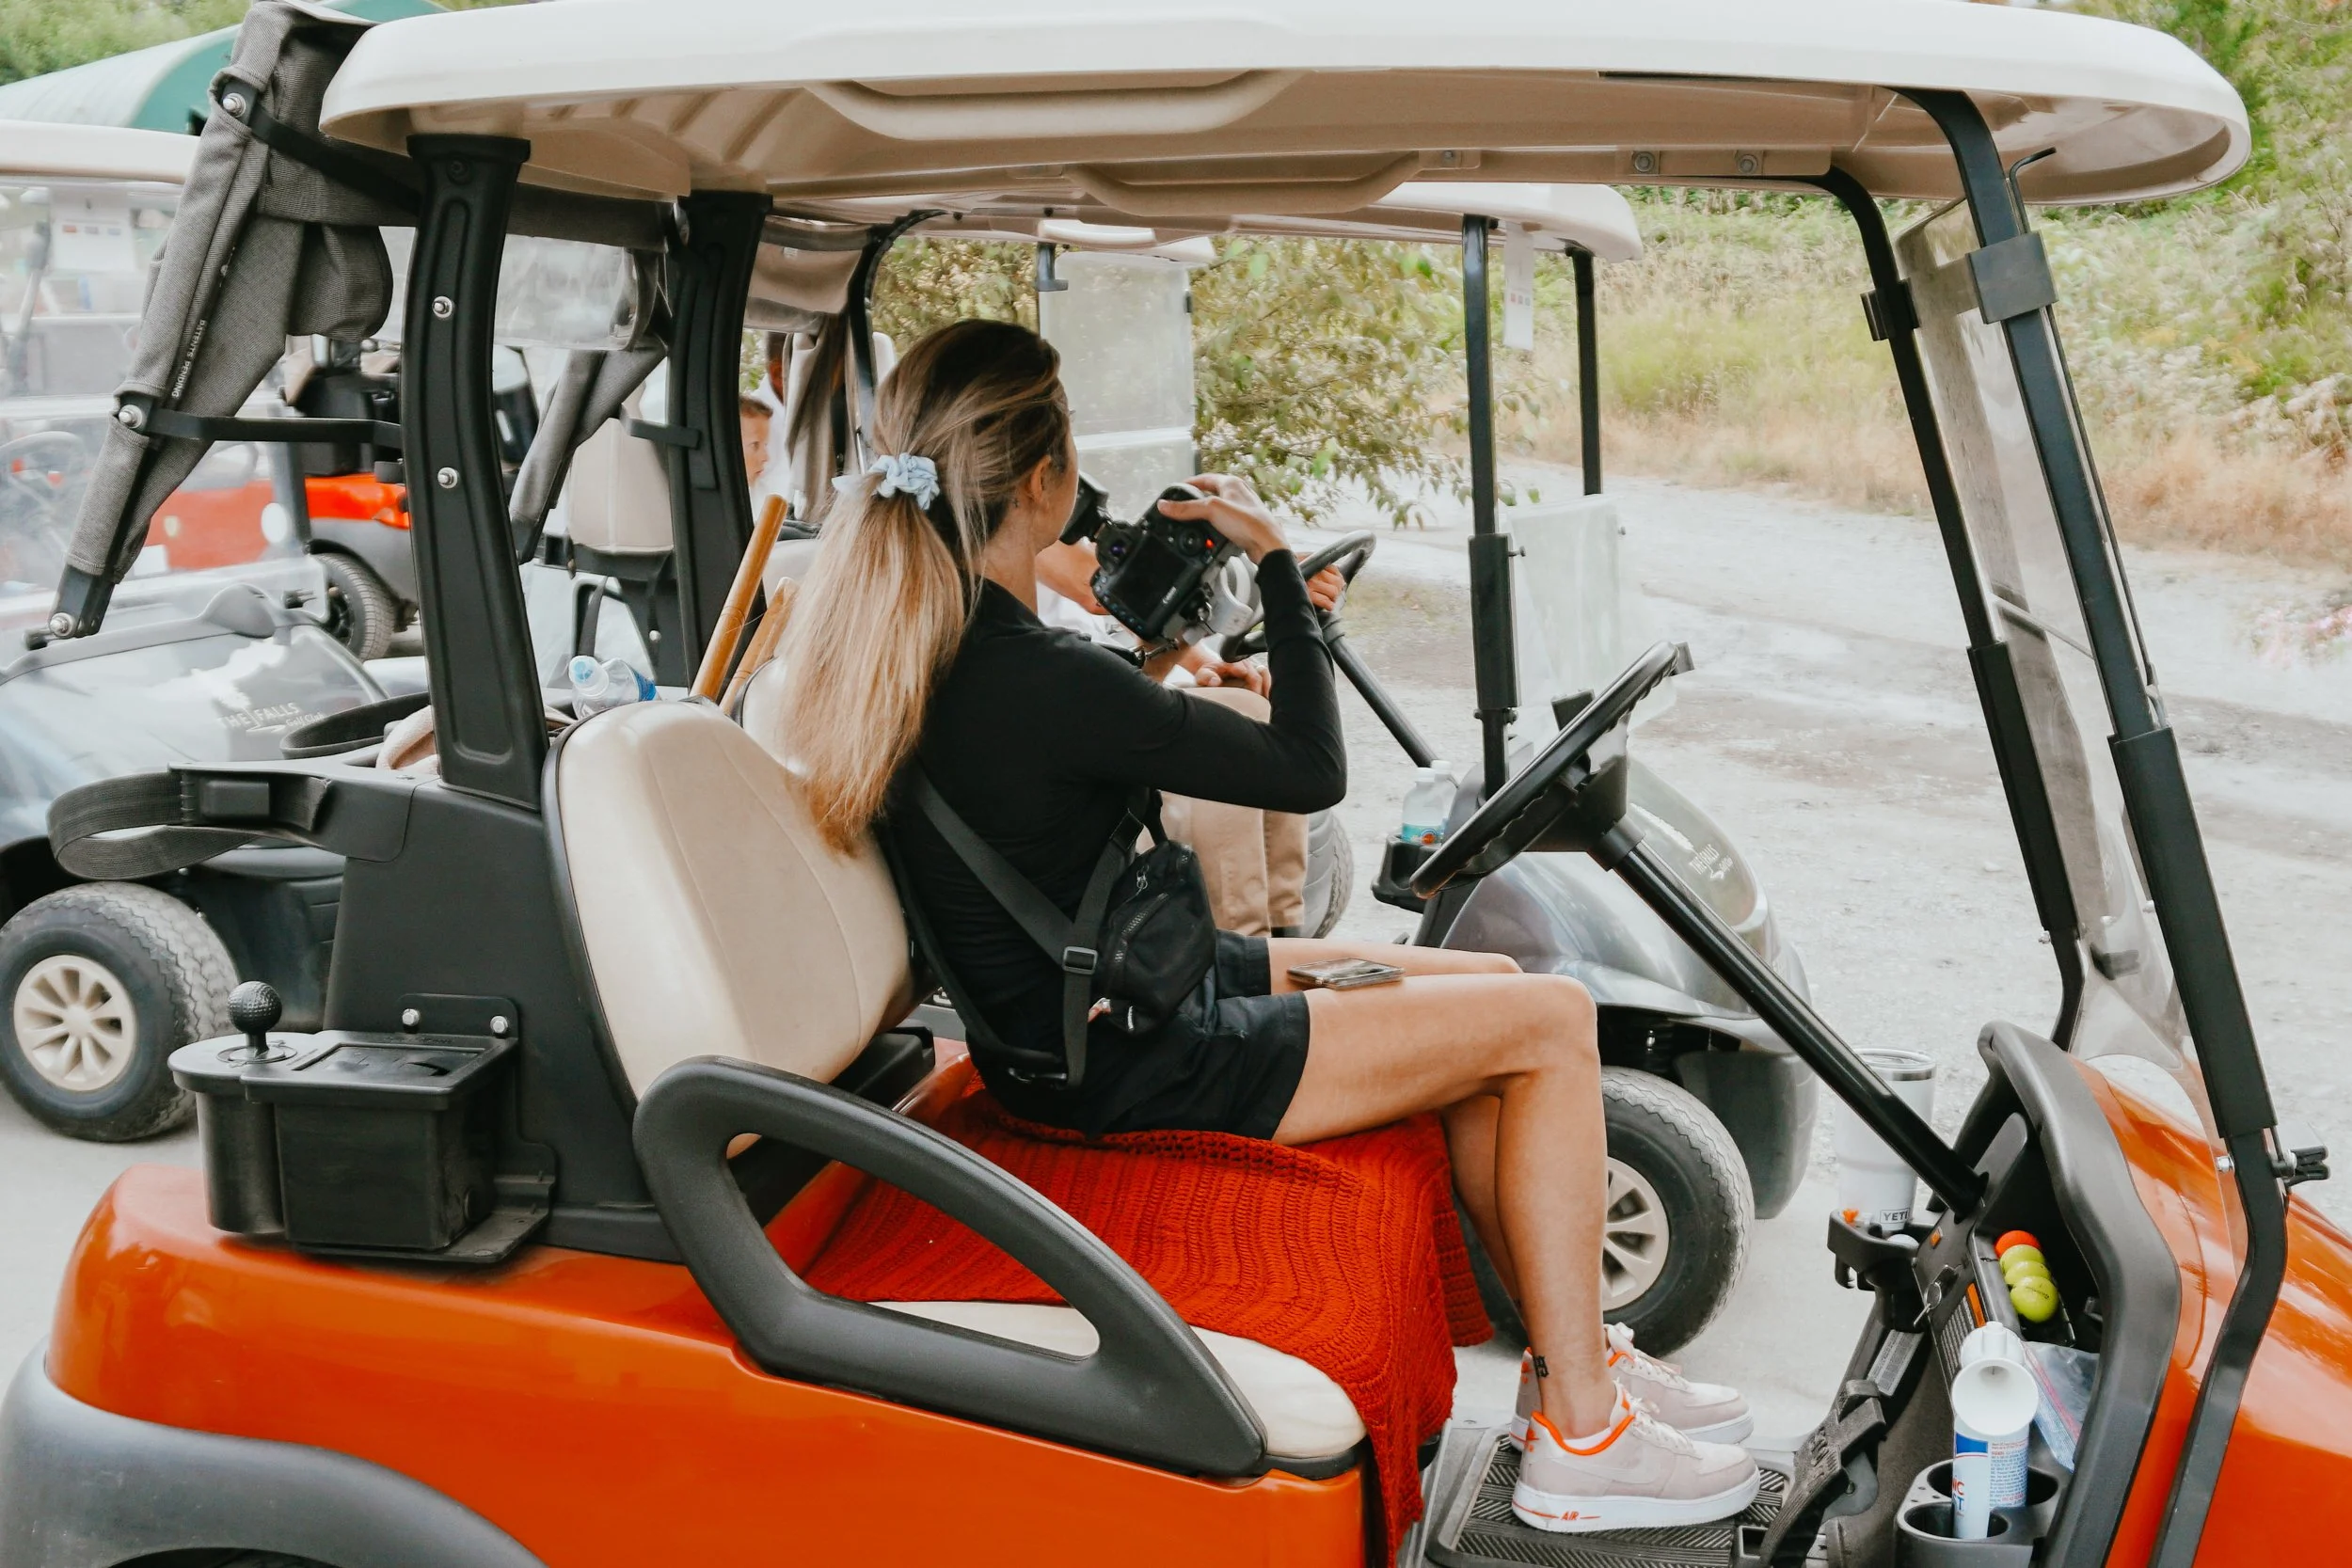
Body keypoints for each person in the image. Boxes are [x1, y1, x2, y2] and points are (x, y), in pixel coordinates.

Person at [775, 320, 1757, 1535]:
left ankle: (1573, 1363)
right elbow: (1307, 768)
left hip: (1093, 1007)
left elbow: (1053, 764)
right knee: (1552, 1016)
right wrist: (1282, 568)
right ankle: (1583, 1440)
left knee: (1489, 974)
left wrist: (1173, 661)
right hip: (1131, 1055)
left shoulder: (923, 649)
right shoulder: (1045, 680)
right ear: (1044, 480)